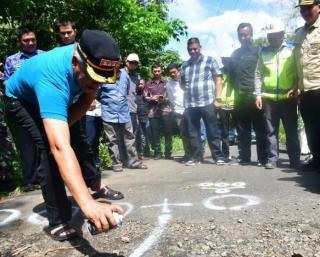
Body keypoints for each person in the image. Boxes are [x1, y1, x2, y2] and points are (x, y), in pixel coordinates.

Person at [4, 30, 125, 241]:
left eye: (101, 80)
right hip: (22, 100)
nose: (96, 85)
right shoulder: (53, 80)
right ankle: (58, 219)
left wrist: (64, 128)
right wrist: (87, 204)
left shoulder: (92, 64)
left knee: (78, 139)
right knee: (48, 149)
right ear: (75, 62)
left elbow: (86, 101)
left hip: (61, 96)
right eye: (92, 78)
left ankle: (95, 184)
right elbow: (59, 147)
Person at [3, 27, 44, 191]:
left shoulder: (44, 56)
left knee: (44, 140)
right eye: (26, 40)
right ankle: (29, 180)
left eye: (33, 39)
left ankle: (45, 177)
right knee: (25, 143)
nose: (31, 43)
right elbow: (6, 82)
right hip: (20, 106)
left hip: (41, 104)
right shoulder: (11, 60)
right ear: (19, 42)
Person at [255, 20, 300, 170]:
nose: (272, 38)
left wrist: (295, 87)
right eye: (269, 35)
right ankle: (272, 159)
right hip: (268, 99)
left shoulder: (292, 50)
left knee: (291, 130)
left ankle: (295, 161)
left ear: (282, 35)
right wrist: (258, 95)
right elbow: (258, 75)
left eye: (275, 35)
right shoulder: (263, 52)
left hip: (288, 98)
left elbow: (299, 72)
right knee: (270, 131)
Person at [180, 37, 225, 166]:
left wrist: (218, 98)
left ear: (200, 47)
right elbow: (182, 84)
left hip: (207, 102)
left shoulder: (210, 61)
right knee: (193, 132)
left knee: (212, 130)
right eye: (190, 49)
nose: (193, 51)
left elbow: (218, 79)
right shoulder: (184, 65)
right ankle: (196, 157)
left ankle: (218, 156)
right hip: (190, 104)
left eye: (195, 48)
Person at [228, 23, 268, 166]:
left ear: (251, 34)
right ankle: (244, 157)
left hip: (255, 96)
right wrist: (228, 95)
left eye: (246, 34)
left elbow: (264, 74)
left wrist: (261, 93)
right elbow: (231, 77)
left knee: (260, 128)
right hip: (240, 97)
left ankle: (263, 158)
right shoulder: (235, 54)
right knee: (242, 129)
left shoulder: (259, 51)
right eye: (240, 35)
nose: (243, 37)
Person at [99, 67, 148, 172]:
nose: (114, 65)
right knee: (112, 140)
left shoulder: (125, 76)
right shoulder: (103, 76)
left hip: (124, 112)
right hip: (109, 113)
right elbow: (97, 94)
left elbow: (126, 92)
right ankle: (117, 164)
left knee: (130, 137)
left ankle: (133, 162)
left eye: (117, 62)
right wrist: (108, 102)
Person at [294, 0, 320, 172]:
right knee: (311, 131)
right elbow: (297, 62)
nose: (305, 11)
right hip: (305, 90)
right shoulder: (299, 33)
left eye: (309, 8)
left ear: (318, 6)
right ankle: (317, 161)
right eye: (302, 9)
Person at [144, 64, 173, 160]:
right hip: (153, 111)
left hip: (165, 110)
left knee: (168, 132)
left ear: (161, 71)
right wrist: (152, 98)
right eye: (155, 71)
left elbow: (171, 95)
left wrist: (163, 98)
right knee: (155, 133)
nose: (157, 73)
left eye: (158, 71)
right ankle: (158, 153)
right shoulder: (148, 84)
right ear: (152, 71)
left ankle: (168, 153)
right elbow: (145, 97)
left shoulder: (167, 82)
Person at [166, 63, 191, 162]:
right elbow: (171, 99)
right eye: (170, 73)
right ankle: (188, 154)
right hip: (178, 112)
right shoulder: (169, 84)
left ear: (179, 71)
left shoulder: (186, 80)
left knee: (193, 132)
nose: (172, 74)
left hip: (190, 110)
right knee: (184, 134)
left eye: (174, 72)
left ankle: (197, 153)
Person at [136, 79, 151, 159]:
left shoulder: (148, 93)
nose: (140, 85)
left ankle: (148, 153)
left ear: (145, 84)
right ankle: (141, 154)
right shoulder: (134, 94)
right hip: (138, 118)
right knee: (141, 136)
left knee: (148, 135)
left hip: (147, 117)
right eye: (139, 84)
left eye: (142, 84)